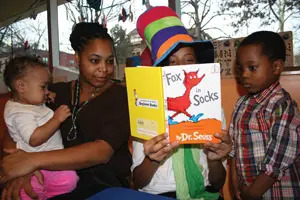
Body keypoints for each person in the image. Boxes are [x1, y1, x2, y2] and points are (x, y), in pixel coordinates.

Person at [0, 22, 132, 199]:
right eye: (94, 60)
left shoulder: (121, 96)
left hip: (99, 183)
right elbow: (15, 126)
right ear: (77, 58)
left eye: (109, 61)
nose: (104, 69)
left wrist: (32, 161)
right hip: (47, 176)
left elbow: (102, 151)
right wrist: (19, 167)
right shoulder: (51, 92)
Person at [131, 6, 232, 200]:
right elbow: (138, 180)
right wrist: (152, 159)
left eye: (188, 60)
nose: (182, 69)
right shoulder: (147, 111)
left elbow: (218, 183)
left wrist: (215, 159)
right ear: (160, 70)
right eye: (172, 62)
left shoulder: (212, 110)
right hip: (159, 194)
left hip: (204, 193)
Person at [229, 31, 300, 200]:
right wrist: (234, 182)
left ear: (276, 67)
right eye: (241, 68)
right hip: (246, 192)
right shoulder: (241, 104)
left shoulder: (282, 105)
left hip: (277, 194)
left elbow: (278, 158)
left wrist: (253, 192)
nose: (244, 74)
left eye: (252, 68)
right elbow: (234, 149)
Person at [3, 56, 79, 199]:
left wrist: (46, 96)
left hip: (48, 162)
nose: (46, 91)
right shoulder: (19, 113)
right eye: (43, 87)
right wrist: (56, 119)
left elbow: (38, 111)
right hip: (32, 166)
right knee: (29, 191)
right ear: (21, 87)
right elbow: (34, 139)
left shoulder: (29, 102)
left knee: (70, 179)